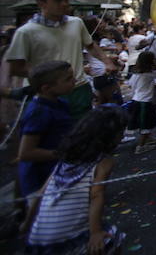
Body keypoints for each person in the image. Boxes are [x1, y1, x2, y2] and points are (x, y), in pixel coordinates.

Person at [24, 106, 128, 254]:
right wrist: (95, 232)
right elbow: (96, 195)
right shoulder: (104, 162)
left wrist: (27, 225)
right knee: (112, 238)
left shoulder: (65, 159)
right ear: (109, 136)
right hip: (69, 239)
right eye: (121, 132)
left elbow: (41, 194)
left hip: (38, 241)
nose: (123, 136)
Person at [5, 0, 117, 119]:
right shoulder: (25, 32)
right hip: (46, 93)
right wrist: (50, 77)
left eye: (66, 0)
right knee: (47, 135)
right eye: (58, 0)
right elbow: (15, 68)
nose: (65, 4)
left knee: (81, 133)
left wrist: (107, 62)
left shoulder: (76, 23)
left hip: (79, 89)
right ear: (42, 4)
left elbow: (90, 45)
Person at [17, 61, 75, 199]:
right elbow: (26, 153)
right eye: (68, 79)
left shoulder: (61, 103)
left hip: (59, 173)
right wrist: (65, 153)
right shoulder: (38, 112)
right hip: (41, 180)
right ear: (46, 88)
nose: (74, 81)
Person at [126, 50, 156, 154]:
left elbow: (130, 85)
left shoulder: (135, 74)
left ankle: (149, 139)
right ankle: (140, 146)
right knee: (146, 125)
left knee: (143, 123)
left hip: (136, 100)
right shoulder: (152, 74)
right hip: (145, 102)